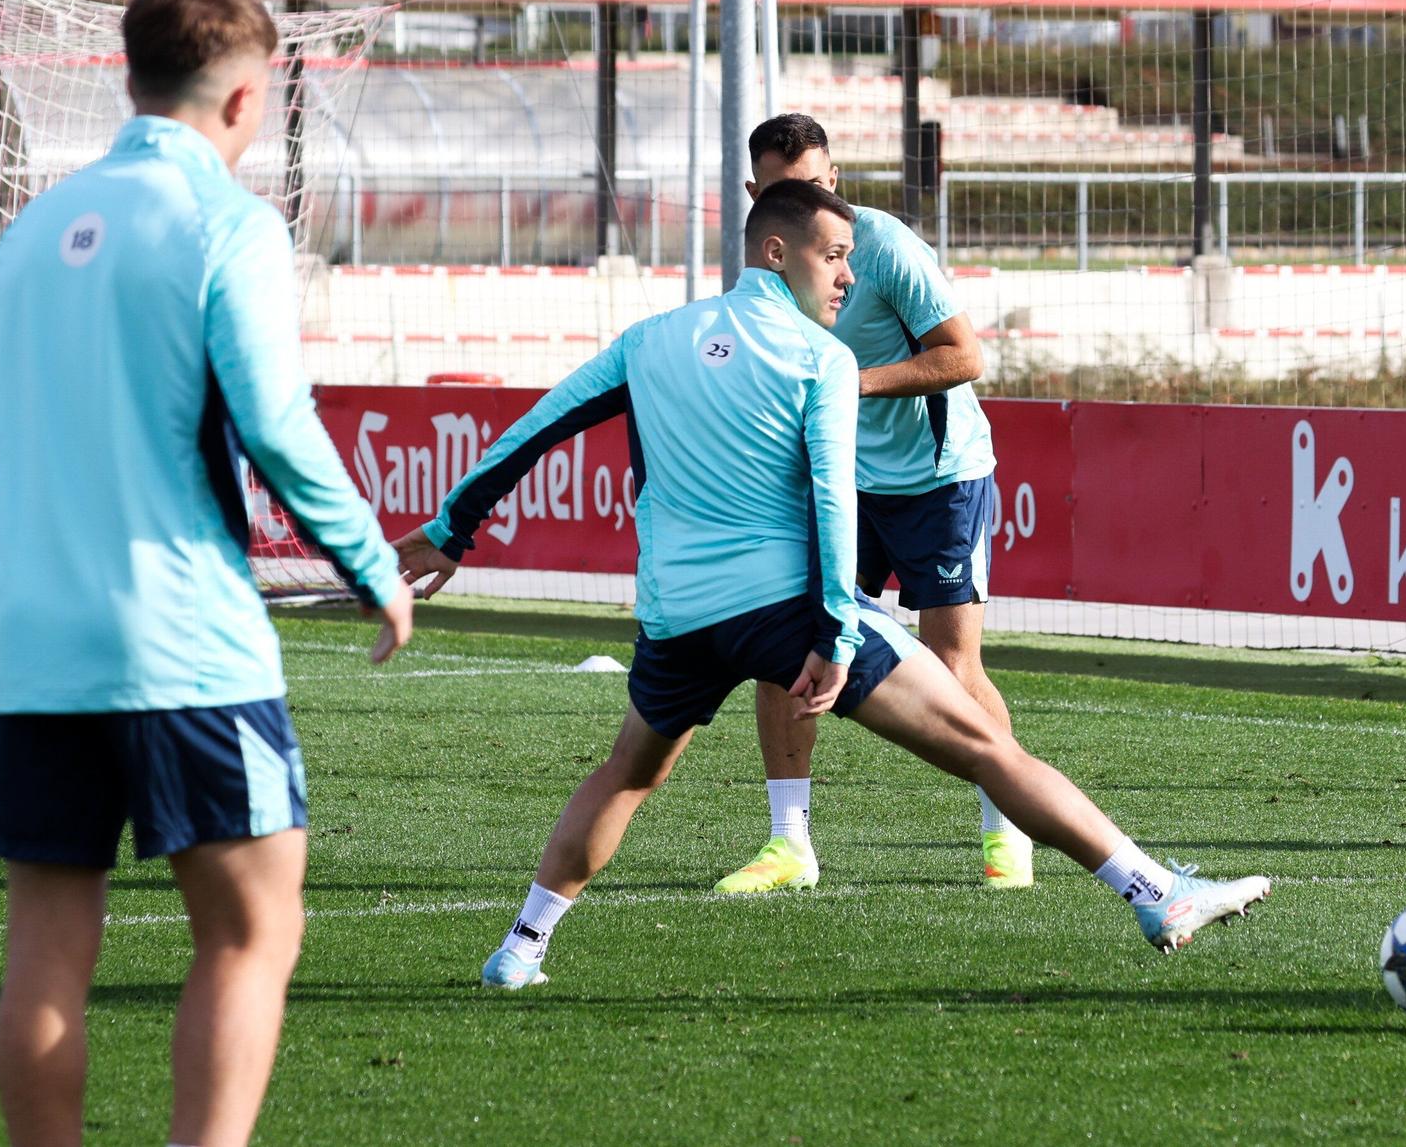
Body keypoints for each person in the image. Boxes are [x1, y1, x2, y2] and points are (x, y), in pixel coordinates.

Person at [391, 180, 1269, 991]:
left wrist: (449, 532)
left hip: (676, 617)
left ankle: (521, 947)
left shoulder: (649, 340)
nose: (849, 274)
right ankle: (1156, 893)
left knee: (627, 772)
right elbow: (831, 497)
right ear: (777, 252)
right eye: (834, 255)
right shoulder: (821, 356)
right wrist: (837, 634)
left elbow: (535, 428)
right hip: (784, 609)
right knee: (987, 745)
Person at [0, 0, 412, 1147]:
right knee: (252, 929)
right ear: (246, 98)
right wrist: (372, 564)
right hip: (183, 644)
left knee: (46, 947)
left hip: (39, 655)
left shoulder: (27, 232)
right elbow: (275, 423)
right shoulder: (227, 224)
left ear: (128, 77)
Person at [713, 113, 1033, 897]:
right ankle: (790, 844)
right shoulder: (765, 266)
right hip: (844, 482)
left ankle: (1009, 825)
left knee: (953, 666)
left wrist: (851, 384)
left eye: (814, 185)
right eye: (784, 191)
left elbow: (964, 355)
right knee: (786, 648)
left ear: (835, 180)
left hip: (938, 478)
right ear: (756, 196)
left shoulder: (885, 246)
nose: (805, 203)